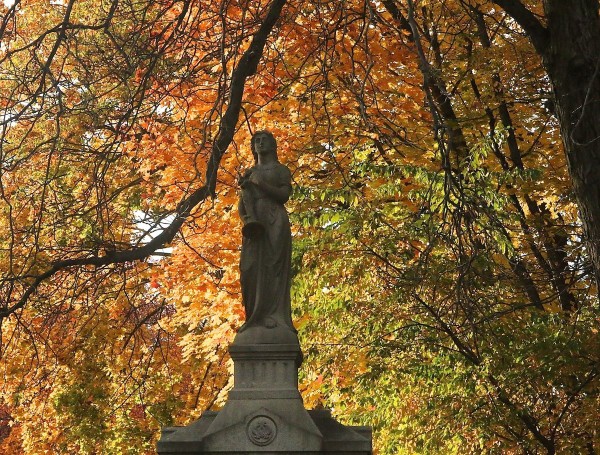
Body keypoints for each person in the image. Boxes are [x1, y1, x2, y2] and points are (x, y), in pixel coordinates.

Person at [238, 131, 295, 336]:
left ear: (273, 145)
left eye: (264, 140)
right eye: (256, 141)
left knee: (273, 268)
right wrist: (247, 221)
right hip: (254, 225)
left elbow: (283, 195)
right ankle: (253, 318)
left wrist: (259, 183)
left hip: (274, 220)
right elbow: (241, 205)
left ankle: (273, 315)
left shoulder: (281, 170)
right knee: (249, 269)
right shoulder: (249, 172)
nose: (260, 143)